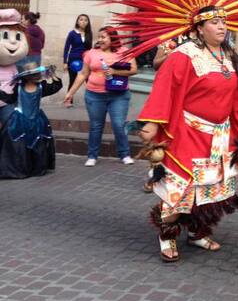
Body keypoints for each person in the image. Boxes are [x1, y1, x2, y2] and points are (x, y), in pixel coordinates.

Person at [105, 0, 238, 263]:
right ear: (198, 28)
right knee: (180, 188)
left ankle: (199, 232)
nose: (222, 26)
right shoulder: (183, 56)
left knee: (212, 190)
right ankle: (167, 236)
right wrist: (152, 124)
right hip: (188, 134)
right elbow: (164, 91)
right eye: (215, 23)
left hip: (220, 137)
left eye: (224, 22)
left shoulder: (228, 57)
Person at [63, 26, 138, 166]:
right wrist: (70, 93)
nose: (100, 40)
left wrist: (115, 71)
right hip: (94, 95)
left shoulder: (124, 51)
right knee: (96, 126)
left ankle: (125, 154)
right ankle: (92, 156)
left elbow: (134, 70)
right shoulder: (91, 53)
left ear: (112, 38)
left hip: (119, 95)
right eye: (99, 37)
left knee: (118, 125)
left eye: (103, 37)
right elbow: (83, 74)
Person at [0, 62, 62, 178]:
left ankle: (36, 168)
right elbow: (10, 99)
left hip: (37, 120)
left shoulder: (42, 87)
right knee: (20, 145)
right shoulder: (19, 87)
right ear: (26, 77)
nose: (37, 76)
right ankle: (21, 168)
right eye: (34, 74)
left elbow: (56, 86)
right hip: (20, 120)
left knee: (37, 143)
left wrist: (53, 75)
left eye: (37, 74)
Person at [0, 9, 30, 126]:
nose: (13, 41)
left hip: (8, 103)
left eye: (18, 37)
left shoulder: (16, 67)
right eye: (5, 35)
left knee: (10, 126)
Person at [62, 14, 93, 102]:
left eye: (85, 20)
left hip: (85, 60)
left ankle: (92, 99)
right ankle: (69, 100)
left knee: (88, 80)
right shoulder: (72, 33)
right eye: (81, 20)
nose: (83, 22)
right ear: (77, 22)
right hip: (73, 60)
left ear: (88, 22)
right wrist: (65, 62)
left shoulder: (89, 33)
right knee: (72, 80)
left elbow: (89, 48)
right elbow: (66, 48)